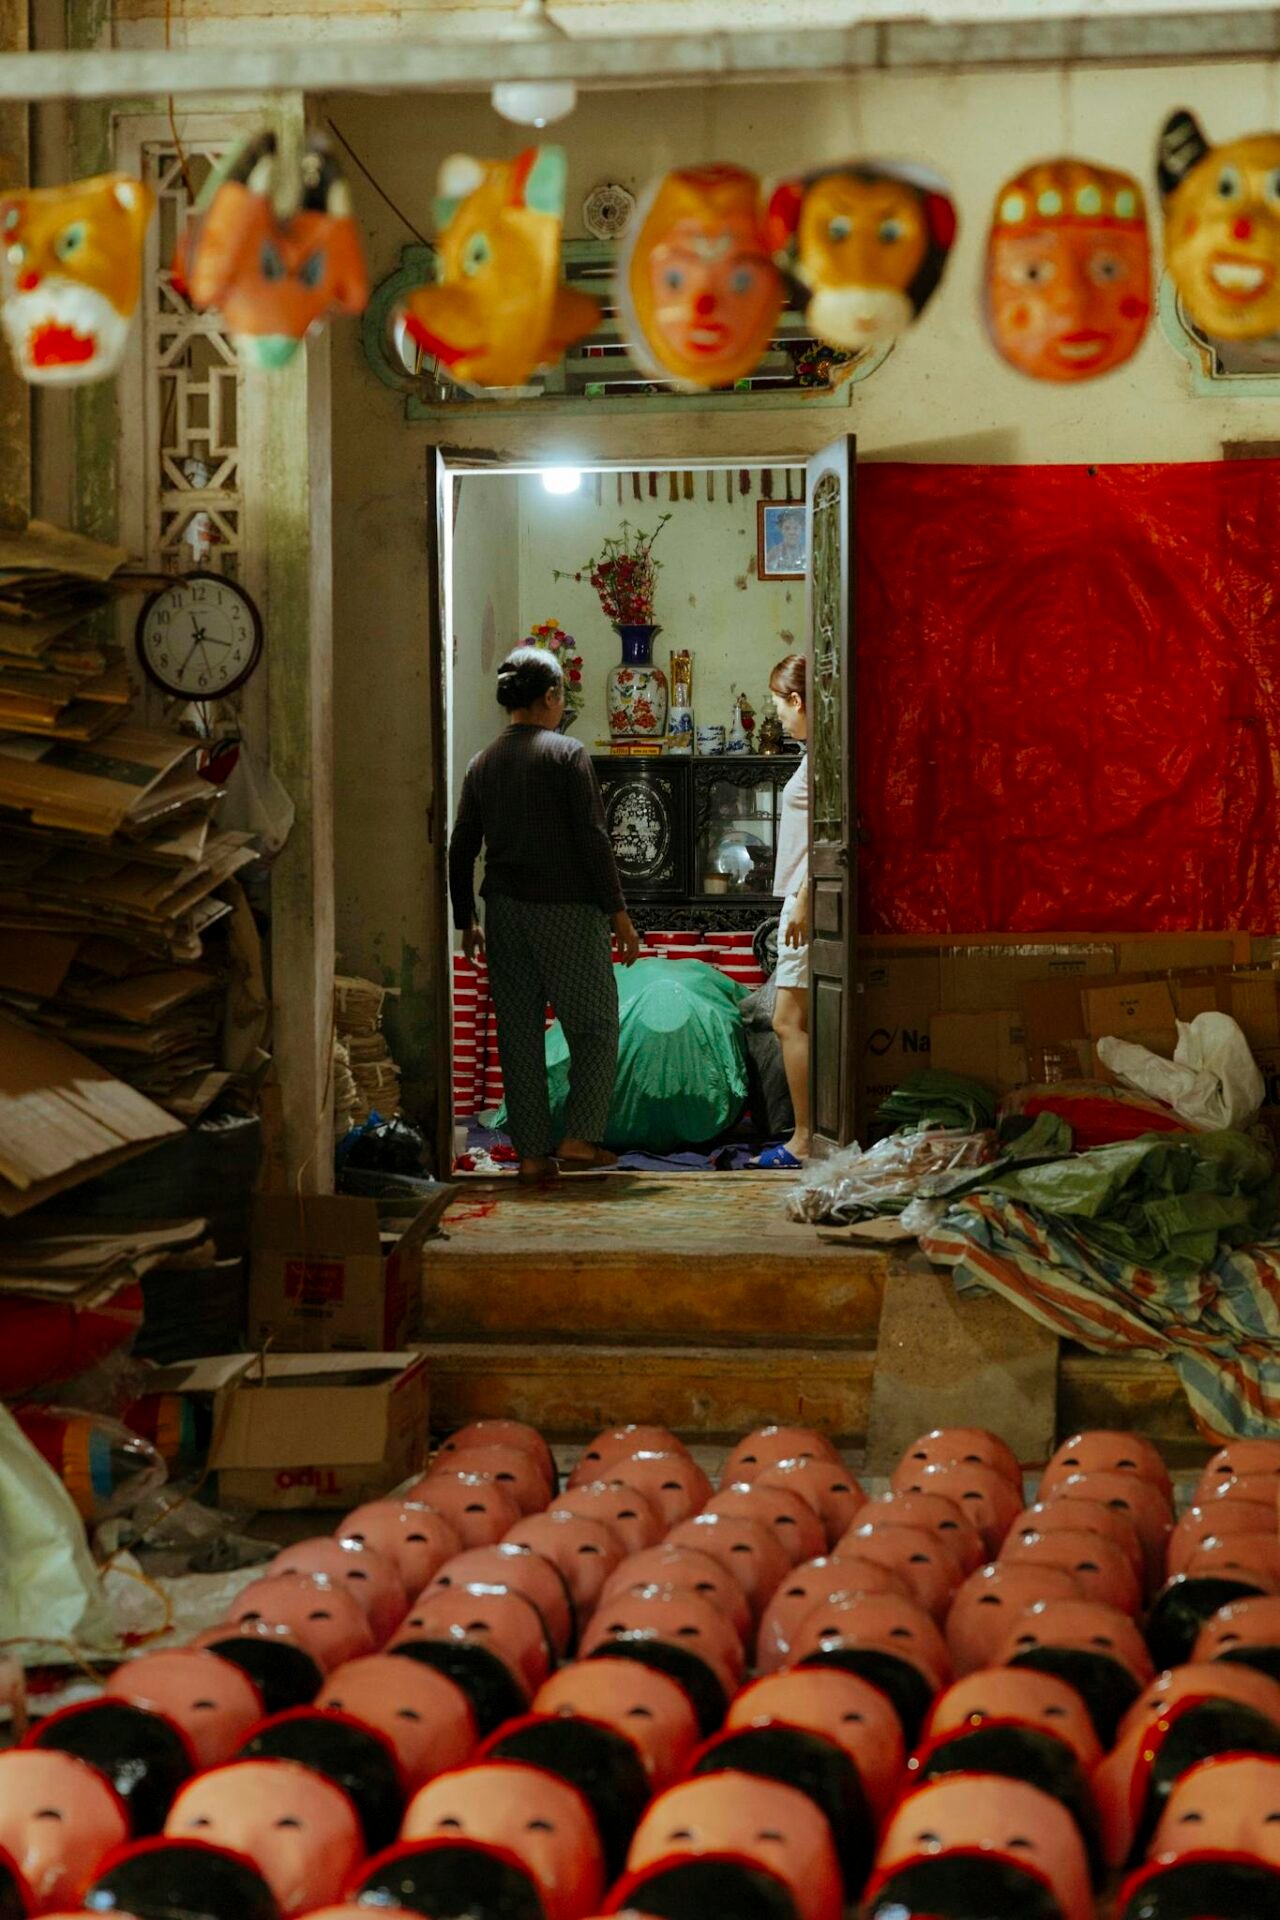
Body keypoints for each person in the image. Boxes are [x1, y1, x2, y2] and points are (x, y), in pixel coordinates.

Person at [449, 646, 642, 1186]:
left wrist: (467, 918)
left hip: (504, 912)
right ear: (551, 696)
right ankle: (580, 1136)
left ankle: (532, 1155)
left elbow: (461, 846)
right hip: (566, 911)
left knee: (519, 1034)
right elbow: (593, 839)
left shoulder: (482, 762)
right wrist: (619, 914)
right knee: (597, 1026)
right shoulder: (566, 754)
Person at [756, 652, 811, 1168]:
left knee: (786, 1021)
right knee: (796, 1021)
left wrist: (803, 900)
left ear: (798, 700)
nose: (778, 717)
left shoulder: (822, 761)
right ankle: (809, 1134)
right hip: (800, 900)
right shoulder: (815, 753)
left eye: (779, 706)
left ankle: (804, 1137)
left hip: (806, 904)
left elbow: (827, 838)